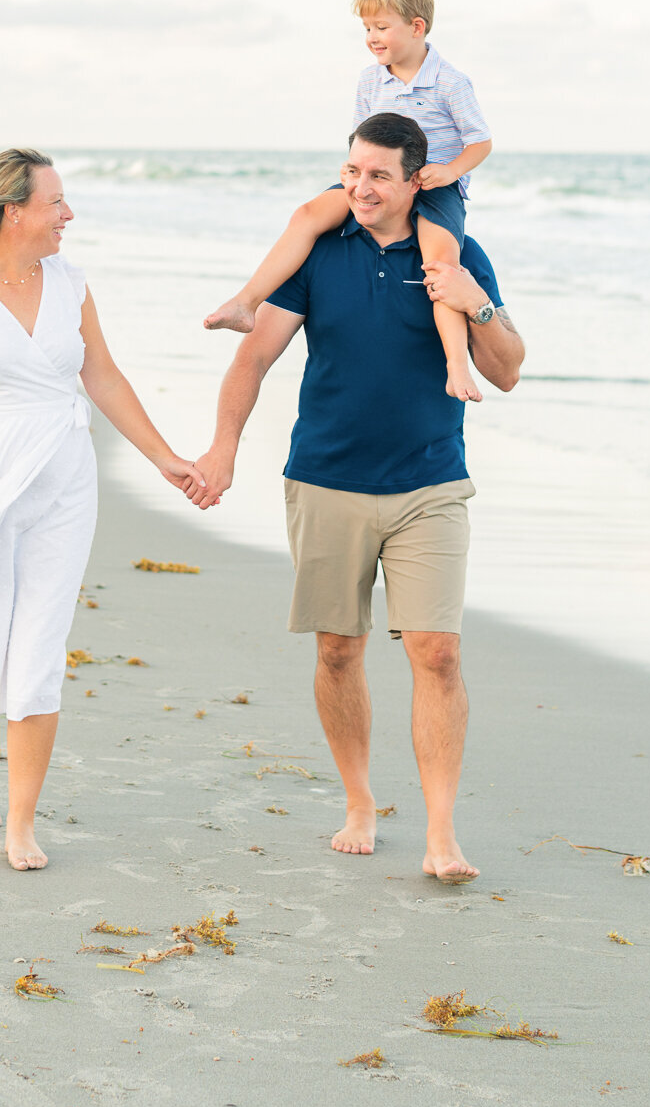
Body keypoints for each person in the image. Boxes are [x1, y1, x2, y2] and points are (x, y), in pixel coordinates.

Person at [194, 112, 524, 881]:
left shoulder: (458, 253)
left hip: (430, 484)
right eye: (351, 172)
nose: (360, 187)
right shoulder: (319, 251)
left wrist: (477, 302)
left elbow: (506, 370)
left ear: (419, 181)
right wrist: (223, 447)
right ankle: (359, 802)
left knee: (436, 653)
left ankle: (443, 833)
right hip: (325, 479)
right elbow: (255, 358)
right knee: (338, 650)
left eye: (378, 175)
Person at [0, 148, 205, 871]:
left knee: (39, 645)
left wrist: (164, 458)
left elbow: (104, 376)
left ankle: (21, 821)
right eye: (56, 202)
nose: (69, 214)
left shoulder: (70, 284)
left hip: (64, 477)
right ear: (15, 211)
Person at [204, 0, 492, 403]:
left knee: (441, 269)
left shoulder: (450, 82)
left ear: (417, 28)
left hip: (434, 186)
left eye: (381, 27)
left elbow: (480, 142)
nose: (372, 37)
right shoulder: (370, 79)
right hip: (378, 179)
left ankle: (455, 365)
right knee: (307, 215)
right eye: (366, 28)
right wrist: (357, 176)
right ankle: (247, 302)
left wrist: (449, 172)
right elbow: (362, 137)